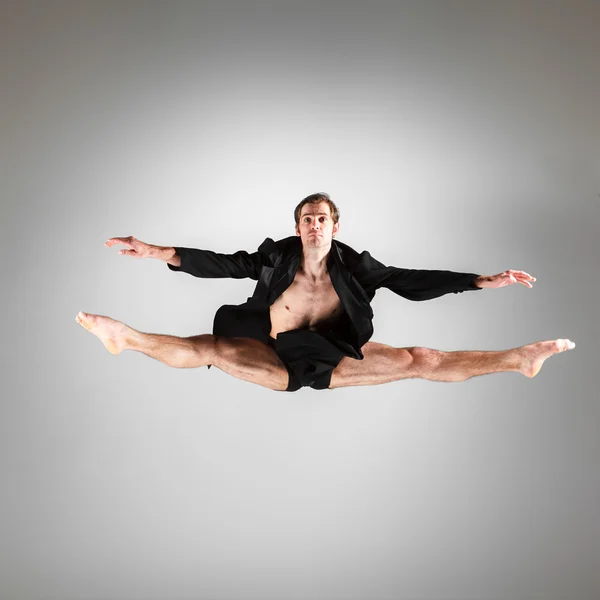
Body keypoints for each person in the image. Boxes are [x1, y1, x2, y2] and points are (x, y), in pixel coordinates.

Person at [76, 192, 575, 391]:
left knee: (421, 357)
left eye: (322, 219)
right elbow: (223, 264)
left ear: (335, 226)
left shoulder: (357, 268)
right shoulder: (276, 258)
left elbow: (411, 279)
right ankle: (126, 337)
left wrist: (478, 281)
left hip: (333, 357)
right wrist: (156, 251)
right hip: (271, 352)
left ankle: (519, 358)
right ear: (296, 226)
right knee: (209, 349)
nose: (314, 225)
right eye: (306, 219)